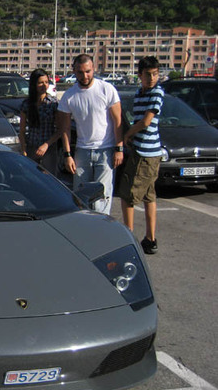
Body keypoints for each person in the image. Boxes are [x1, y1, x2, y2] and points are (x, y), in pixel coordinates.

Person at [57, 54, 123, 215]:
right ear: (74, 71)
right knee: (80, 196)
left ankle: (102, 229)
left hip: (105, 149)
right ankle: (85, 228)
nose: (84, 76)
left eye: (88, 71)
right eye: (80, 72)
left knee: (103, 196)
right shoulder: (69, 96)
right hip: (82, 150)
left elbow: (117, 121)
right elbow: (64, 128)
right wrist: (67, 154)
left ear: (93, 69)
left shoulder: (106, 89)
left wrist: (119, 148)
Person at [118, 56, 163, 254]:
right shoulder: (139, 94)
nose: (151, 78)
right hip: (143, 150)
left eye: (155, 74)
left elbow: (145, 122)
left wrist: (127, 134)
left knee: (127, 195)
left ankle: (130, 239)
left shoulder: (157, 93)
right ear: (140, 75)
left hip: (146, 153)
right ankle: (150, 238)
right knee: (148, 195)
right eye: (147, 74)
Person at [19, 68, 62, 175]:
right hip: (32, 146)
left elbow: (60, 129)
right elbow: (22, 130)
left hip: (48, 148)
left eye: (46, 82)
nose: (44, 85)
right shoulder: (27, 104)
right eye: (40, 83)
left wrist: (46, 145)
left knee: (49, 178)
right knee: (31, 177)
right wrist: (23, 148)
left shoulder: (52, 103)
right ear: (34, 84)